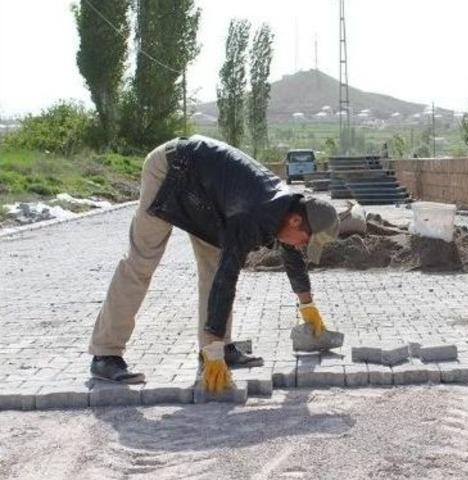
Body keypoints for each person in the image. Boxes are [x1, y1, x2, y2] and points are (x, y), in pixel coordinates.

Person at [88, 135, 339, 391]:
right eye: (306, 241)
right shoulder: (250, 215)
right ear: (296, 221)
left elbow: (292, 254)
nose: (302, 247)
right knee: (141, 261)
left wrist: (307, 305)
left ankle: (215, 348)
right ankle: (105, 354)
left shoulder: (288, 210)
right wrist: (214, 345)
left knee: (213, 264)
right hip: (171, 170)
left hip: (207, 193)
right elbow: (226, 280)